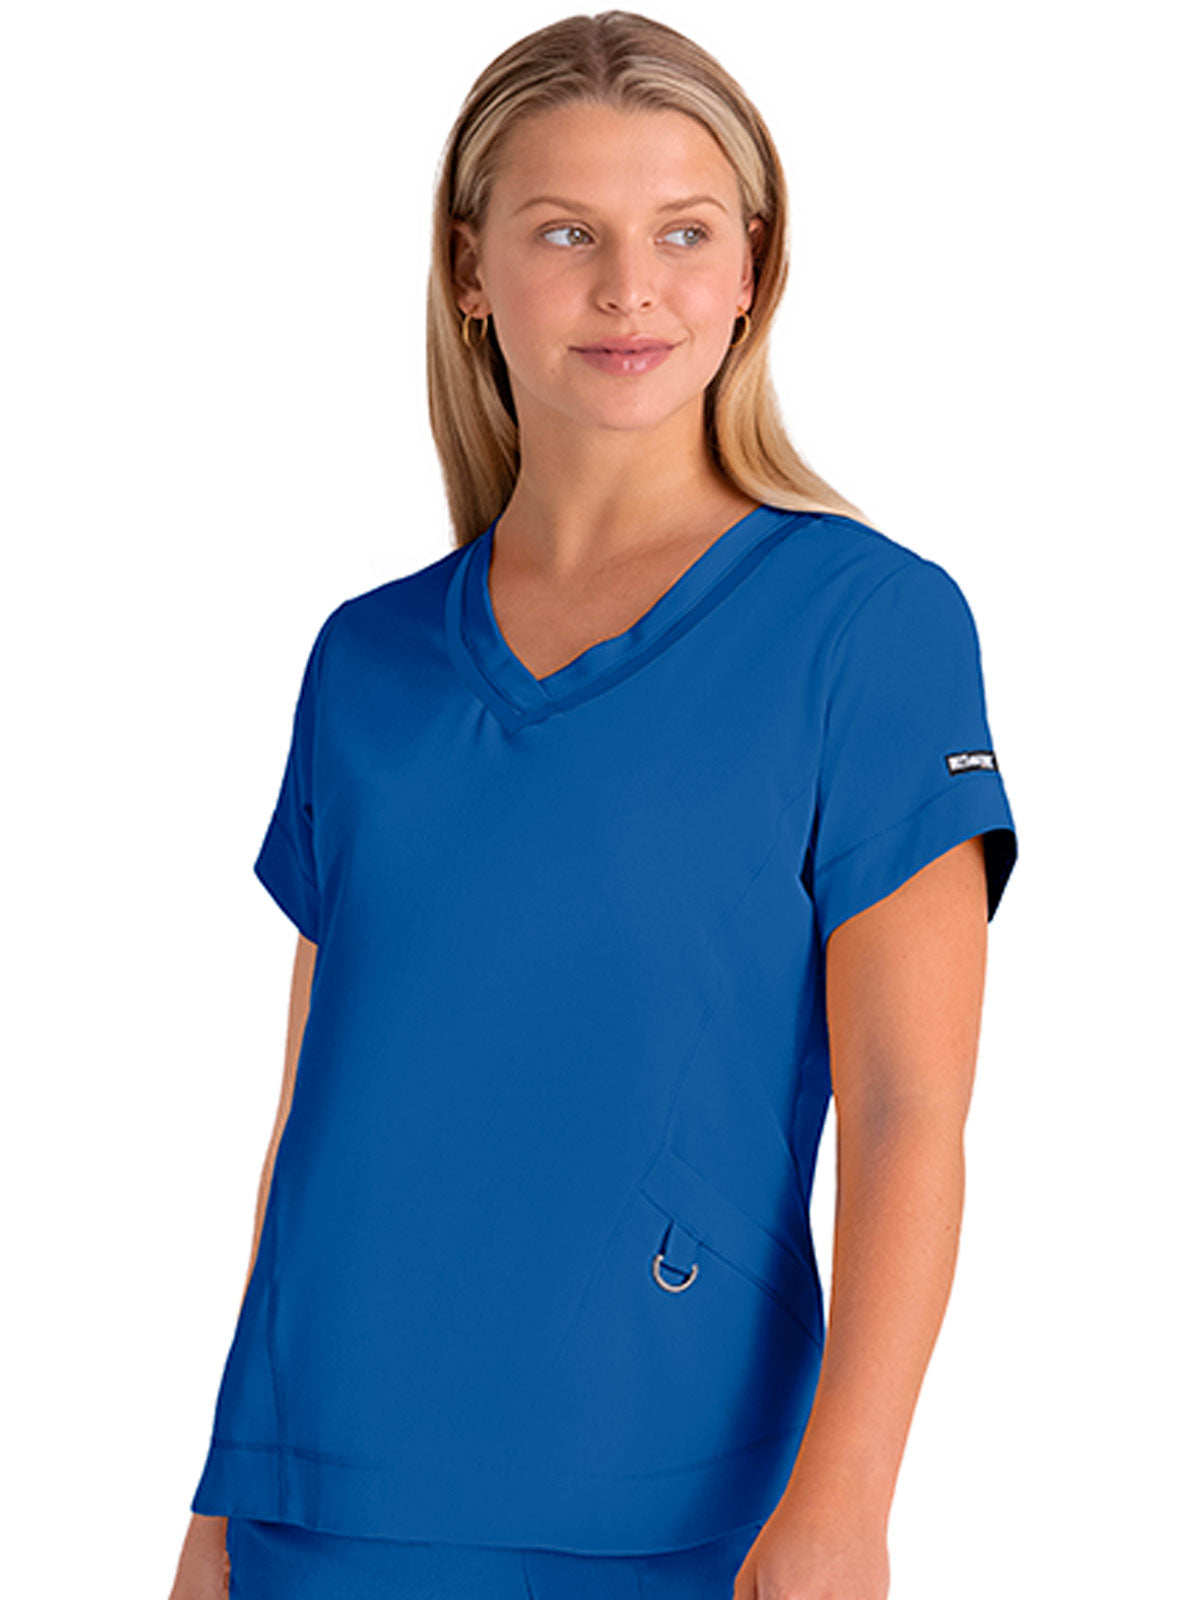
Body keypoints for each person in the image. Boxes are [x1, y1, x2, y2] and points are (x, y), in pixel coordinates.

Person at [169, 10, 1018, 1599]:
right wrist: (223, 1503)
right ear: (471, 269)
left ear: (752, 267)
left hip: (679, 1498)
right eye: (568, 232)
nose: (632, 287)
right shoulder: (366, 662)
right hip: (322, 1492)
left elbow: (911, 1106)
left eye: (683, 232)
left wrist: (845, 1504)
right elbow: (317, 1117)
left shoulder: (871, 626)